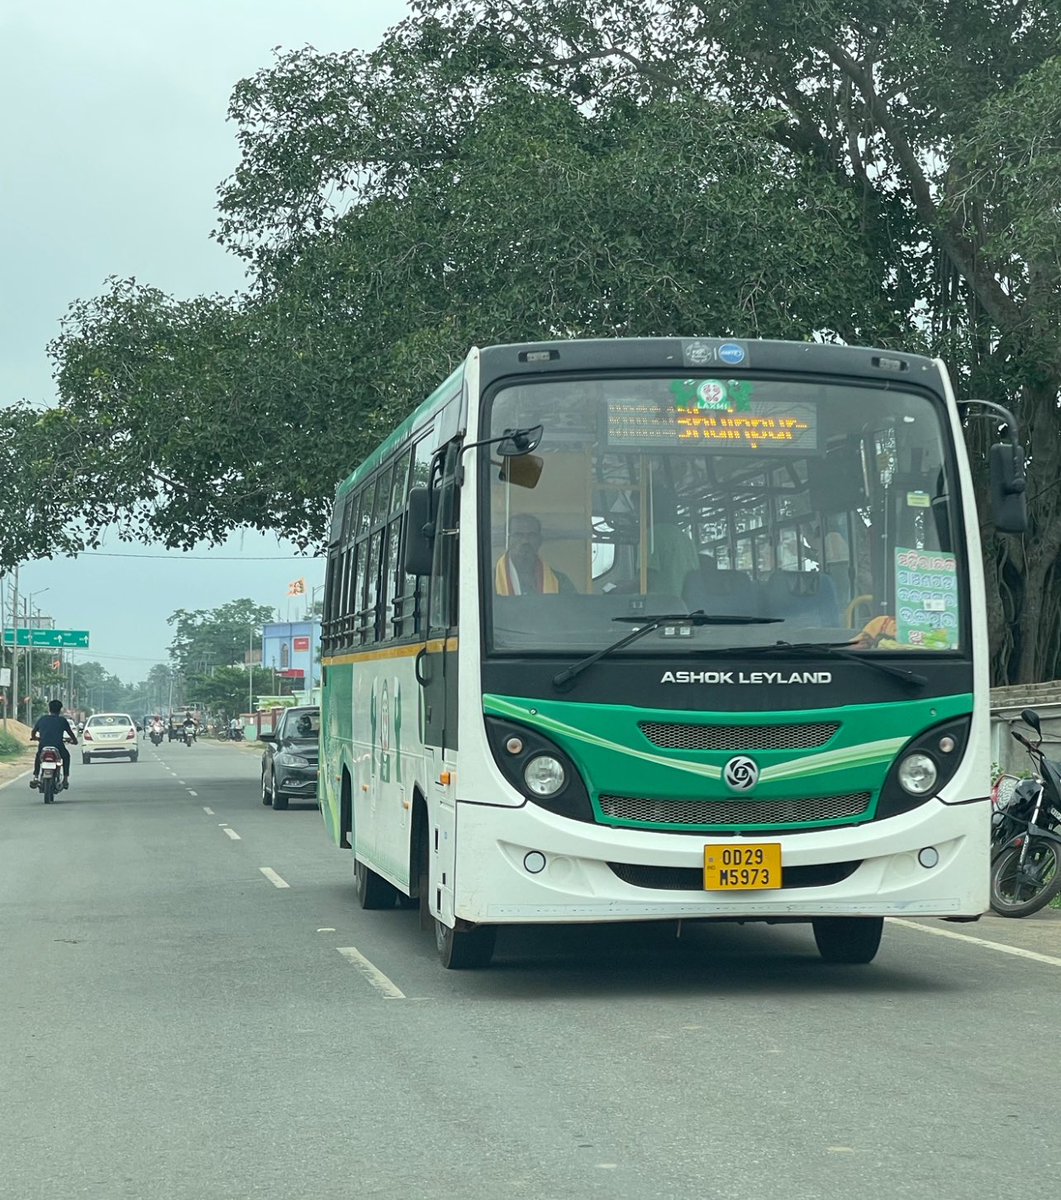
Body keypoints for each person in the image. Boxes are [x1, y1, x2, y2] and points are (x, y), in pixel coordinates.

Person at [495, 513, 576, 594]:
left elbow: (575, 606)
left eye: (531, 535)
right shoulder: (489, 580)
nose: (525, 541)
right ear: (507, 541)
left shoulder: (560, 582)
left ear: (540, 541)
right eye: (518, 535)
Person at [30, 699, 79, 791]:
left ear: (49, 709)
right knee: (66, 756)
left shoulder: (42, 719)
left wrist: (35, 738)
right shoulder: (62, 720)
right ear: (60, 710)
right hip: (58, 746)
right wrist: (74, 741)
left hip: (43, 745)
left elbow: (33, 731)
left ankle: (36, 777)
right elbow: (71, 734)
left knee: (38, 757)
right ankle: (65, 779)